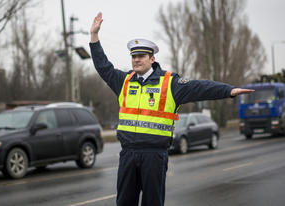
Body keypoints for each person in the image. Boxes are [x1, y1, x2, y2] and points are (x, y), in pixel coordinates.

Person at [89, 12, 254, 206]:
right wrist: (94, 36)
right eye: (133, 56)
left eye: (141, 56)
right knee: (124, 202)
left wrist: (229, 90)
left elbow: (200, 87)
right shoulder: (123, 81)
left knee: (153, 203)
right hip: (127, 154)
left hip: (154, 156)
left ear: (152, 58)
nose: (136, 60)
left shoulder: (169, 83)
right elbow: (103, 67)